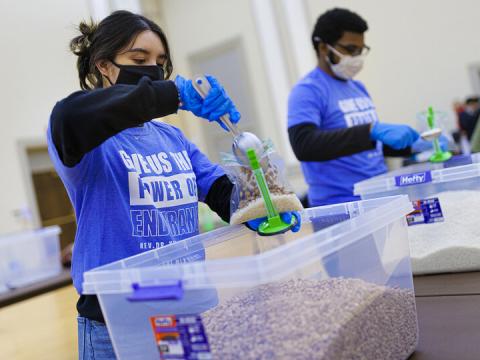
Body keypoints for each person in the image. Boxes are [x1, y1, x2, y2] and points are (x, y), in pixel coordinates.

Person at [48, 11, 300, 359]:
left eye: (160, 62)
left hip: (184, 308)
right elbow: (68, 116)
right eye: (139, 59)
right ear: (104, 66)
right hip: (119, 321)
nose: (152, 69)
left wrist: (264, 204)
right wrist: (174, 93)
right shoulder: (88, 139)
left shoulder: (172, 139)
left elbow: (220, 191)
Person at [288, 8, 441, 206]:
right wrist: (370, 131)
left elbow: (368, 144)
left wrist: (415, 145)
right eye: (350, 49)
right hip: (341, 207)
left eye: (361, 50)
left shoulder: (357, 88)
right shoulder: (308, 90)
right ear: (324, 47)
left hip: (378, 196)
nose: (357, 57)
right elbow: (304, 144)